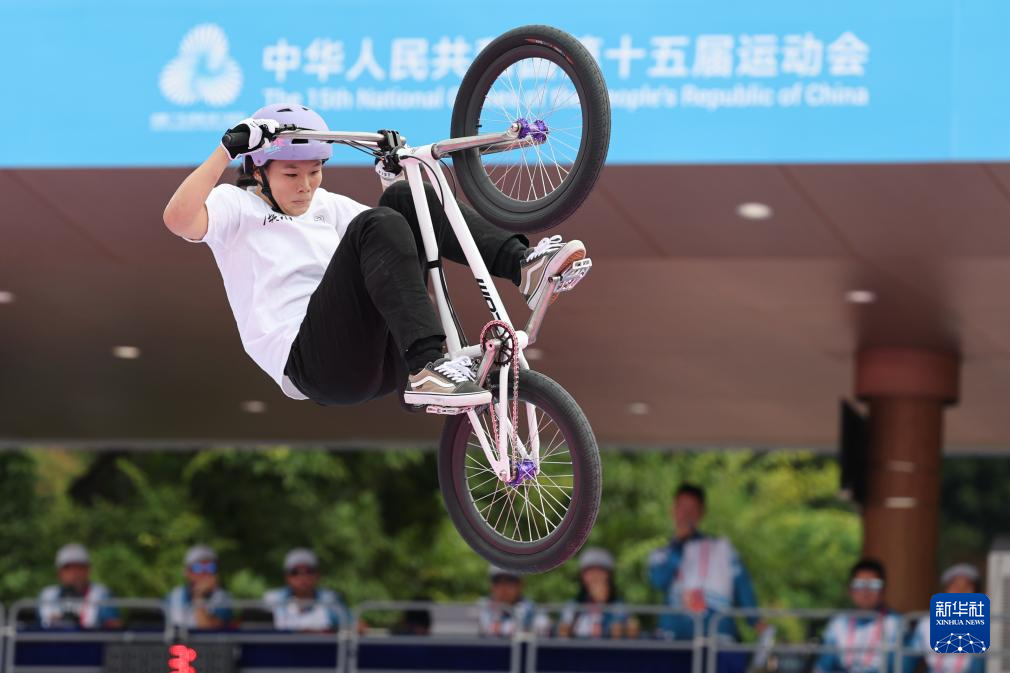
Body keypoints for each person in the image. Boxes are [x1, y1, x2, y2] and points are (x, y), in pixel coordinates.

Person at [163, 104, 589, 410]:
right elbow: (177, 220)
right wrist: (226, 150)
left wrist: (394, 175)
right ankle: (428, 367)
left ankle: (523, 266)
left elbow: (395, 243)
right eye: (291, 175)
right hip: (315, 365)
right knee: (377, 222)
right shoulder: (236, 208)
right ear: (258, 171)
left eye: (315, 172)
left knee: (406, 198)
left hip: (381, 358)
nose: (306, 186)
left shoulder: (326, 205)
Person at [648, 483, 760, 640]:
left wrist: (756, 622)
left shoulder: (722, 548)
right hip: (674, 639)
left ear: (702, 513)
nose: (686, 515)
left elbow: (743, 588)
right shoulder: (661, 554)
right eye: (682, 508)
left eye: (692, 509)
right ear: (673, 510)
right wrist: (679, 545)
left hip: (717, 638)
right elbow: (658, 581)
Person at [814, 559, 903, 673]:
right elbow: (824, 666)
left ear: (884, 589)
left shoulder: (896, 623)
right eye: (859, 584)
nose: (865, 591)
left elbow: (900, 668)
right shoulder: (838, 623)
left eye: (874, 585)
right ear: (850, 590)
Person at [904, 563, 984, 673]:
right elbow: (908, 661)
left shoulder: (987, 625)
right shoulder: (927, 622)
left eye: (966, 588)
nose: (960, 592)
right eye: (955, 587)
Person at [557, 547, 638, 639]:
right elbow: (563, 634)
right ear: (582, 577)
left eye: (600, 572)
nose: (595, 577)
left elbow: (621, 634)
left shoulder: (619, 607)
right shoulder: (573, 606)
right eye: (590, 572)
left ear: (609, 577)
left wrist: (602, 604)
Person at [38, 544, 120, 629]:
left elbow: (113, 626)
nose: (74, 573)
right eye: (68, 568)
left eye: (79, 567)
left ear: (88, 570)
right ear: (59, 572)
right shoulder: (47, 595)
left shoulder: (101, 594)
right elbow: (38, 626)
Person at [263, 548, 345, 631]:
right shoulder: (272, 601)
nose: (302, 577)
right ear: (286, 576)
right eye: (295, 572)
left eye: (309, 571)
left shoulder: (331, 601)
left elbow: (349, 628)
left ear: (318, 575)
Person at [166, 545, 233, 629]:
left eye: (211, 567)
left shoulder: (222, 598)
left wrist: (199, 596)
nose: (204, 572)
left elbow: (207, 629)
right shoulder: (174, 596)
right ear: (187, 572)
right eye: (198, 567)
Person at [476, 565, 550, 637]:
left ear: (520, 584)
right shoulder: (479, 608)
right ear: (491, 585)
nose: (503, 588)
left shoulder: (532, 610)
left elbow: (544, 627)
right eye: (497, 581)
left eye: (510, 581)